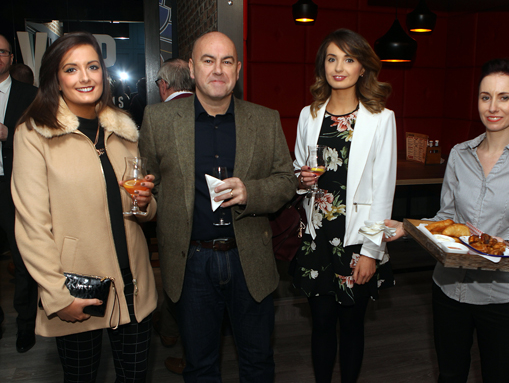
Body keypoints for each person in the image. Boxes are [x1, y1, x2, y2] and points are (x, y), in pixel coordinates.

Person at [384, 58, 509, 383]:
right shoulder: (459, 154)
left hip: (502, 297)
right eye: (485, 96)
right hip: (449, 289)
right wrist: (406, 228)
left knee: (498, 376)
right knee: (450, 375)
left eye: (504, 97)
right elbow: (445, 219)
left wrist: (505, 247)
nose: (493, 107)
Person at [139, 31, 296, 382]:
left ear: (238, 71)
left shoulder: (265, 119)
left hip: (249, 258)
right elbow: (149, 185)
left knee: (258, 362)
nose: (218, 70)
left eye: (227, 61)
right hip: (190, 262)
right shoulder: (159, 120)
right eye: (208, 61)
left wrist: (250, 192)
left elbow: (287, 181)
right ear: (192, 69)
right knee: (200, 365)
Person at [11, 31, 158, 382]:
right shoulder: (34, 133)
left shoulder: (122, 129)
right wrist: (57, 296)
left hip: (134, 287)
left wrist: (145, 202)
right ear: (55, 79)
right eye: (71, 69)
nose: (85, 77)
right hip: (78, 290)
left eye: (92, 66)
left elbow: (142, 210)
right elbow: (32, 226)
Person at [292, 28, 397, 383]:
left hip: (356, 241)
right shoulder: (309, 115)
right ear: (322, 66)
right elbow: (298, 170)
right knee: (320, 325)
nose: (339, 67)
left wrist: (371, 251)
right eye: (332, 59)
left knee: (352, 327)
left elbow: (384, 189)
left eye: (349, 59)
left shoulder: (381, 118)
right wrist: (301, 181)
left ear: (363, 67)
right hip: (317, 236)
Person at [151, 57, 195, 375]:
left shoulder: (157, 118)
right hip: (215, 220)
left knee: (176, 283)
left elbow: (148, 176)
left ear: (164, 85)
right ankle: (169, 329)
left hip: (172, 219)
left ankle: (188, 354)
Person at [0, 33, 38, 351]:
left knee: (22, 257)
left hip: (13, 187)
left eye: (2, 51)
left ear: (11, 58)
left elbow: (42, 139)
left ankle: (25, 325)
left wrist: (7, 134)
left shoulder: (29, 94)